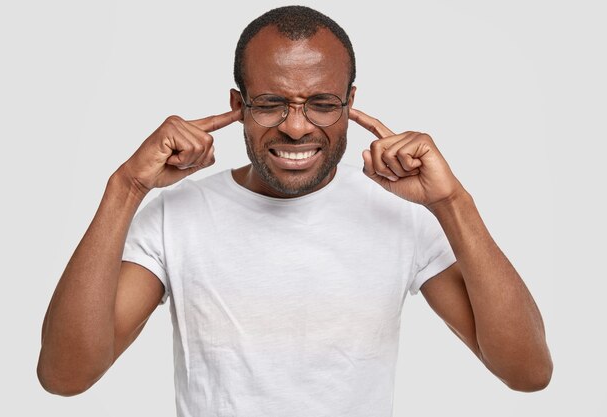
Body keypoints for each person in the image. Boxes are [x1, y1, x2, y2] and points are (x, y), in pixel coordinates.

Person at [37, 5, 553, 416]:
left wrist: (451, 203)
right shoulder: (177, 215)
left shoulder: (402, 214)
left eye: (323, 104)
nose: (298, 127)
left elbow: (527, 373)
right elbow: (66, 376)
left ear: (351, 102)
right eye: (270, 103)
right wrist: (124, 187)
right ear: (238, 105)